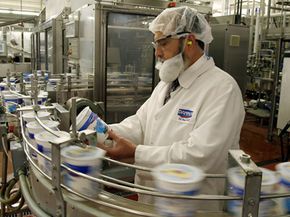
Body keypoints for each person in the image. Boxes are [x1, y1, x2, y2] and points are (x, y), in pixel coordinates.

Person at [98, 6, 245, 210]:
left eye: (164, 43)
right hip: (152, 200)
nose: (157, 52)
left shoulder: (222, 88)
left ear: (190, 40)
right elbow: (141, 123)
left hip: (191, 207)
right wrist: (105, 133)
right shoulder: (167, 83)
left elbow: (200, 156)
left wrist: (136, 153)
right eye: (156, 44)